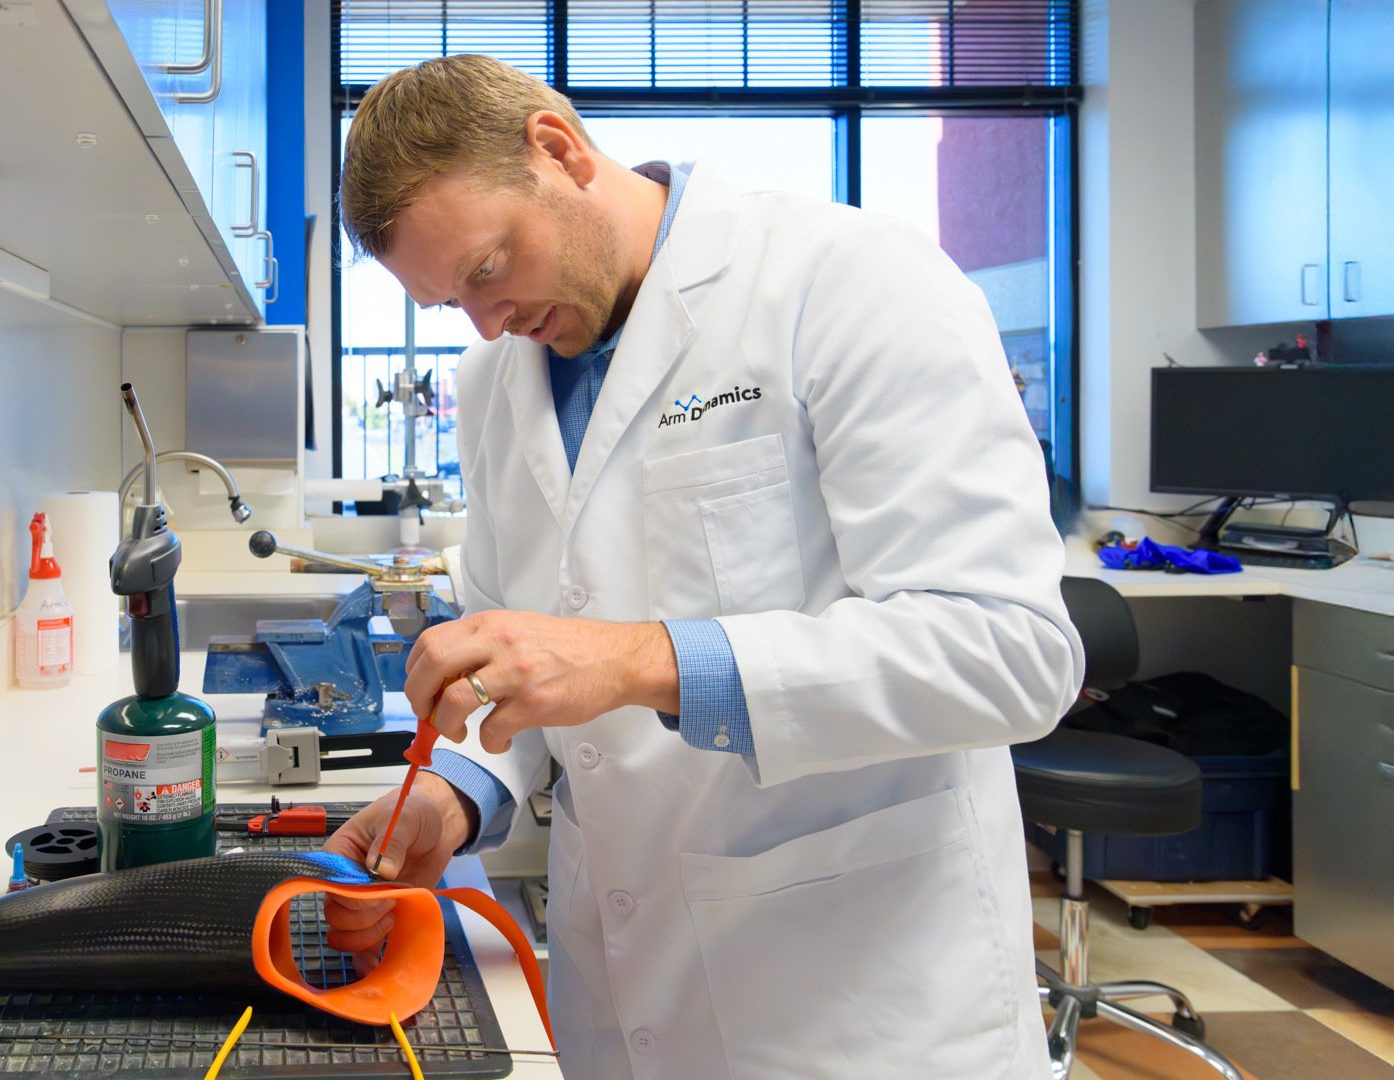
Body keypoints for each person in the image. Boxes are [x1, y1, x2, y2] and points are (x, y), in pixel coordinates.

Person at [323, 54, 1082, 1080]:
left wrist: (641, 663)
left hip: (855, 996)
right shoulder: (494, 375)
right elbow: (518, 644)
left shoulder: (848, 280)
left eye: (489, 271)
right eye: (450, 303)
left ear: (558, 149)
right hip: (627, 985)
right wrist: (456, 793)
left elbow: (1009, 652)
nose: (487, 323)